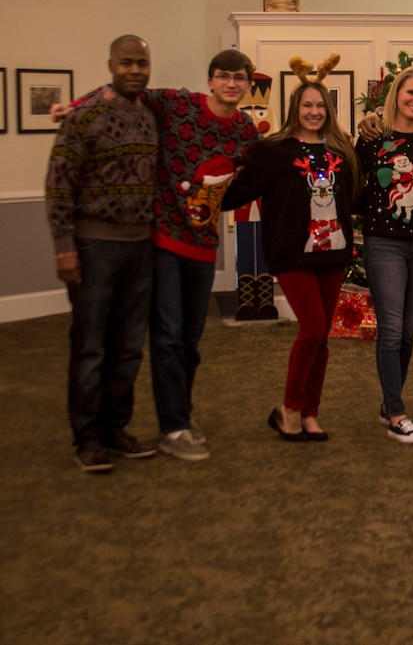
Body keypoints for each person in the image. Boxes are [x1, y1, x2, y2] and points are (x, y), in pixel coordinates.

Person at [62, 50, 261, 461]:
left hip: (204, 247)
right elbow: (119, 94)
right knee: (167, 337)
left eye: (238, 78)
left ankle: (180, 417)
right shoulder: (177, 104)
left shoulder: (245, 130)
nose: (230, 84)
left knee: (190, 341)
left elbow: (255, 176)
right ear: (210, 80)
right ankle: (173, 428)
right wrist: (74, 105)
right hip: (164, 241)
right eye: (223, 76)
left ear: (247, 85)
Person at [223, 55, 358, 442]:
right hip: (291, 253)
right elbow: (239, 192)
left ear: (328, 110)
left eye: (320, 105)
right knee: (312, 328)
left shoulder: (340, 151)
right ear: (295, 110)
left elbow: (353, 197)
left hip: (333, 253)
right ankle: (290, 409)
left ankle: (311, 412)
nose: (314, 112)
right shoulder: (276, 150)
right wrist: (206, 181)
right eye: (307, 105)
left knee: (322, 337)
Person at [45, 35, 159, 473]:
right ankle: (87, 438)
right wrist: (64, 248)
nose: (134, 70)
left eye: (142, 63)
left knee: (129, 347)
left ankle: (115, 429)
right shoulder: (85, 115)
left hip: (140, 247)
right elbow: (58, 182)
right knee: (91, 346)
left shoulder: (150, 115)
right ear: (111, 64)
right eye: (126, 62)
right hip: (93, 247)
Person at [355, 67, 413, 444]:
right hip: (384, 242)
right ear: (397, 94)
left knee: (408, 331)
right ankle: (397, 413)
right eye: (410, 93)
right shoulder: (374, 137)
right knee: (391, 329)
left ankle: (388, 403)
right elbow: (354, 187)